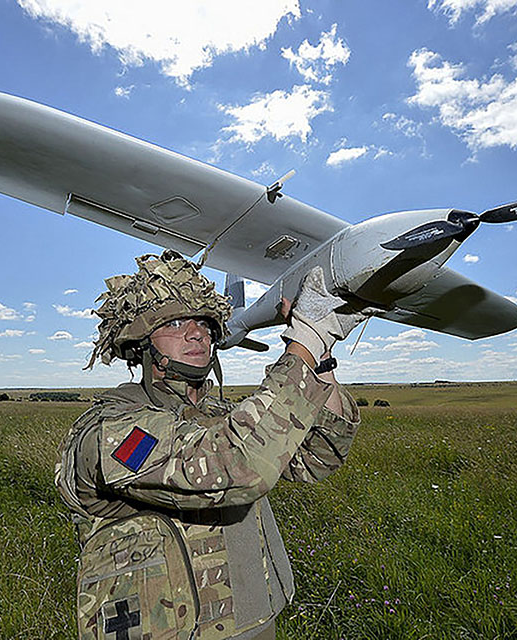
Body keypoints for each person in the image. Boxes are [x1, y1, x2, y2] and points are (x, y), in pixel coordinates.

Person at [55, 250, 364, 640]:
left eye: (203, 322)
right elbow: (234, 464)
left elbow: (318, 457)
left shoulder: (221, 414)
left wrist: (322, 353)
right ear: (141, 341)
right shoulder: (115, 430)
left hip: (254, 622)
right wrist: (304, 338)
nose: (197, 332)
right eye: (177, 323)